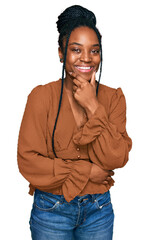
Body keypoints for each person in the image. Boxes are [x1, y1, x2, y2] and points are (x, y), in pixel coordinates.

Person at [17, 5, 132, 240]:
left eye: (94, 51)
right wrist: (86, 170)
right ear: (61, 53)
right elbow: (28, 162)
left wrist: (93, 106)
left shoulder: (113, 99)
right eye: (76, 50)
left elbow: (117, 158)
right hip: (51, 210)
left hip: (98, 210)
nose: (87, 58)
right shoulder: (41, 97)